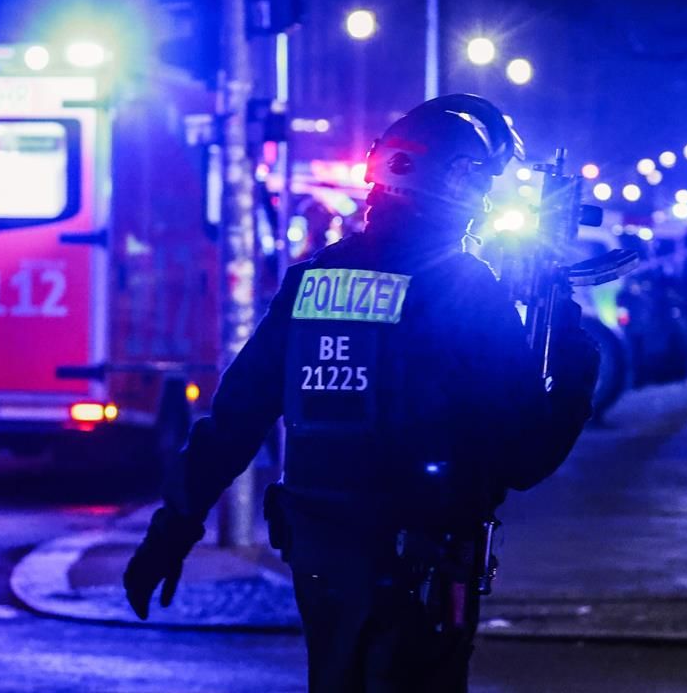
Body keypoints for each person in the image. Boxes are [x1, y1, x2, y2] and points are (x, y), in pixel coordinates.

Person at [123, 94, 600, 692]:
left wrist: (172, 531)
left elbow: (234, 419)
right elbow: (528, 455)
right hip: (423, 562)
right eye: (481, 189)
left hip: (321, 560)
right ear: (459, 186)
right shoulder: (463, 289)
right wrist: (576, 361)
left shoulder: (312, 281)